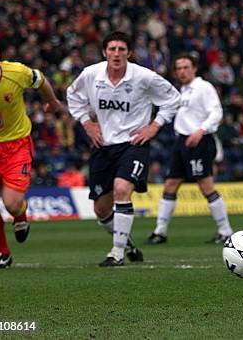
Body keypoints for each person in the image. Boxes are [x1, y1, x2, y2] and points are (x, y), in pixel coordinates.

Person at [67, 31, 180, 267]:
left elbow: (173, 99)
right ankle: (127, 243)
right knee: (101, 209)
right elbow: (72, 96)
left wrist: (153, 127)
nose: (116, 54)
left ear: (129, 52)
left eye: (121, 49)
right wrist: (88, 124)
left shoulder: (144, 77)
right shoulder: (91, 75)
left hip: (133, 145)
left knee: (121, 189)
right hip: (103, 145)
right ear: (104, 52)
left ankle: (116, 253)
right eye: (112, 49)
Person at [0, 36, 64, 268]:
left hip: (16, 146)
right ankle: (3, 253)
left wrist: (52, 101)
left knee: (11, 203)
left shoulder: (16, 72)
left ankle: (20, 217)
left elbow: (41, 80)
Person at [147, 54, 233, 245]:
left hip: (199, 140)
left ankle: (226, 231)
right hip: (182, 141)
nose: (182, 71)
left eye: (186, 67)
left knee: (205, 185)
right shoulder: (182, 91)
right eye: (179, 68)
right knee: (170, 184)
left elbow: (216, 113)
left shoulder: (203, 87)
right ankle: (160, 232)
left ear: (194, 69)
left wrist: (200, 131)